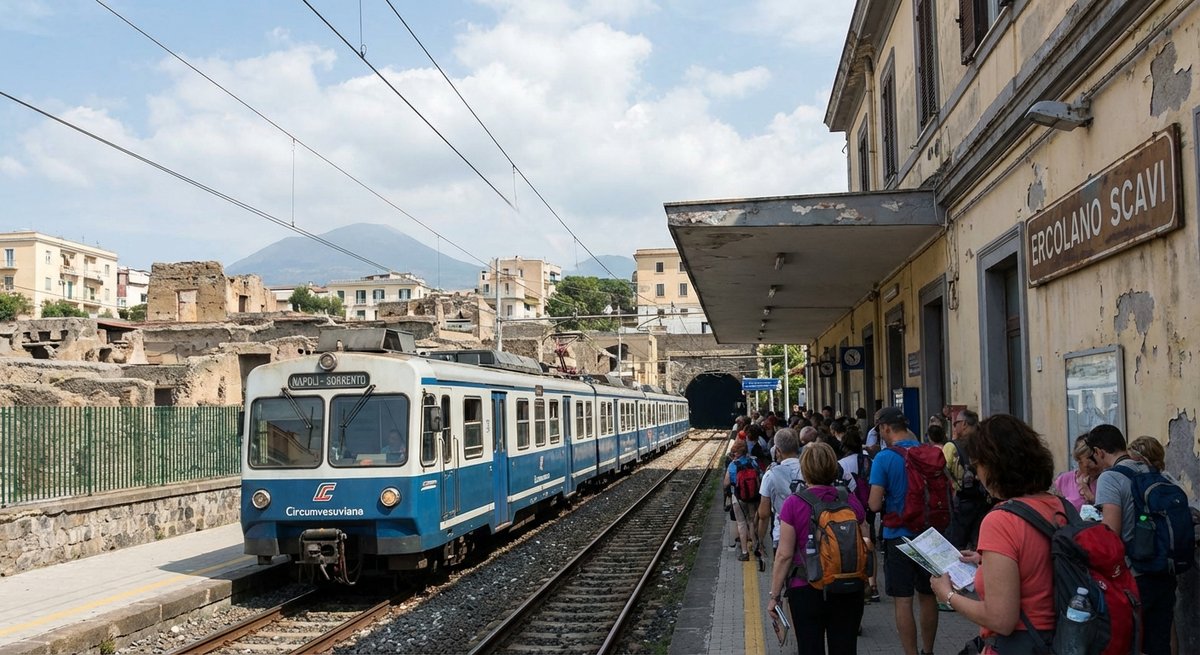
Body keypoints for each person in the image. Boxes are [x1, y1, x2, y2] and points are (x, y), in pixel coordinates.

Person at [929, 414, 1059, 654]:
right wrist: (988, 560)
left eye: (977, 465)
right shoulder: (1059, 506)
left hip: (1020, 645)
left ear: (992, 465)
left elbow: (1001, 619)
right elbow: (1041, 559)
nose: (977, 474)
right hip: (1060, 641)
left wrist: (947, 595)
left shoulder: (1001, 520)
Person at [767, 442, 869, 655]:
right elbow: (866, 540)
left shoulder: (794, 503)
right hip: (848, 585)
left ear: (805, 469)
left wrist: (774, 596)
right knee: (845, 648)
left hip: (805, 587)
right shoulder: (849, 499)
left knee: (809, 647)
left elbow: (784, 555)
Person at [1089, 425, 1176, 655]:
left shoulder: (1110, 478)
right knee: (1159, 643)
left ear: (1098, 452)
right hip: (1165, 569)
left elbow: (1111, 532)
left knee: (1132, 643)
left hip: (1134, 575)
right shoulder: (1155, 471)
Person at [868, 406, 939, 655]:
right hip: (930, 536)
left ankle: (910, 653)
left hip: (898, 536)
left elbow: (874, 504)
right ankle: (928, 651)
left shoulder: (884, 459)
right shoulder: (929, 452)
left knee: (903, 600)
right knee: (929, 595)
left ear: (886, 428)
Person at [944, 409, 986, 549]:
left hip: (961, 501)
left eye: (956, 423)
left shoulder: (951, 447)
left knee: (956, 545)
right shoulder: (984, 444)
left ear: (964, 424)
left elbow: (942, 470)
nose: (954, 426)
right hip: (983, 500)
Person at [758, 428, 802, 551]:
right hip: (807, 530)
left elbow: (764, 514)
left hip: (782, 534)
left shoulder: (770, 475)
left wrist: (760, 541)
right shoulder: (809, 468)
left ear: (777, 450)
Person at [724, 439, 759, 562]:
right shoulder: (753, 462)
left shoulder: (732, 465)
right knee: (752, 521)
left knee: (741, 523)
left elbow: (726, 483)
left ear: (736, 453)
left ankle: (744, 553)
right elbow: (759, 477)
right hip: (753, 497)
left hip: (738, 498)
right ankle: (756, 547)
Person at [1051, 435, 1098, 510]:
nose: (1086, 469)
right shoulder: (1064, 480)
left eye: (1090, 465)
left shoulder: (1104, 481)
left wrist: (1090, 496)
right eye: (1082, 463)